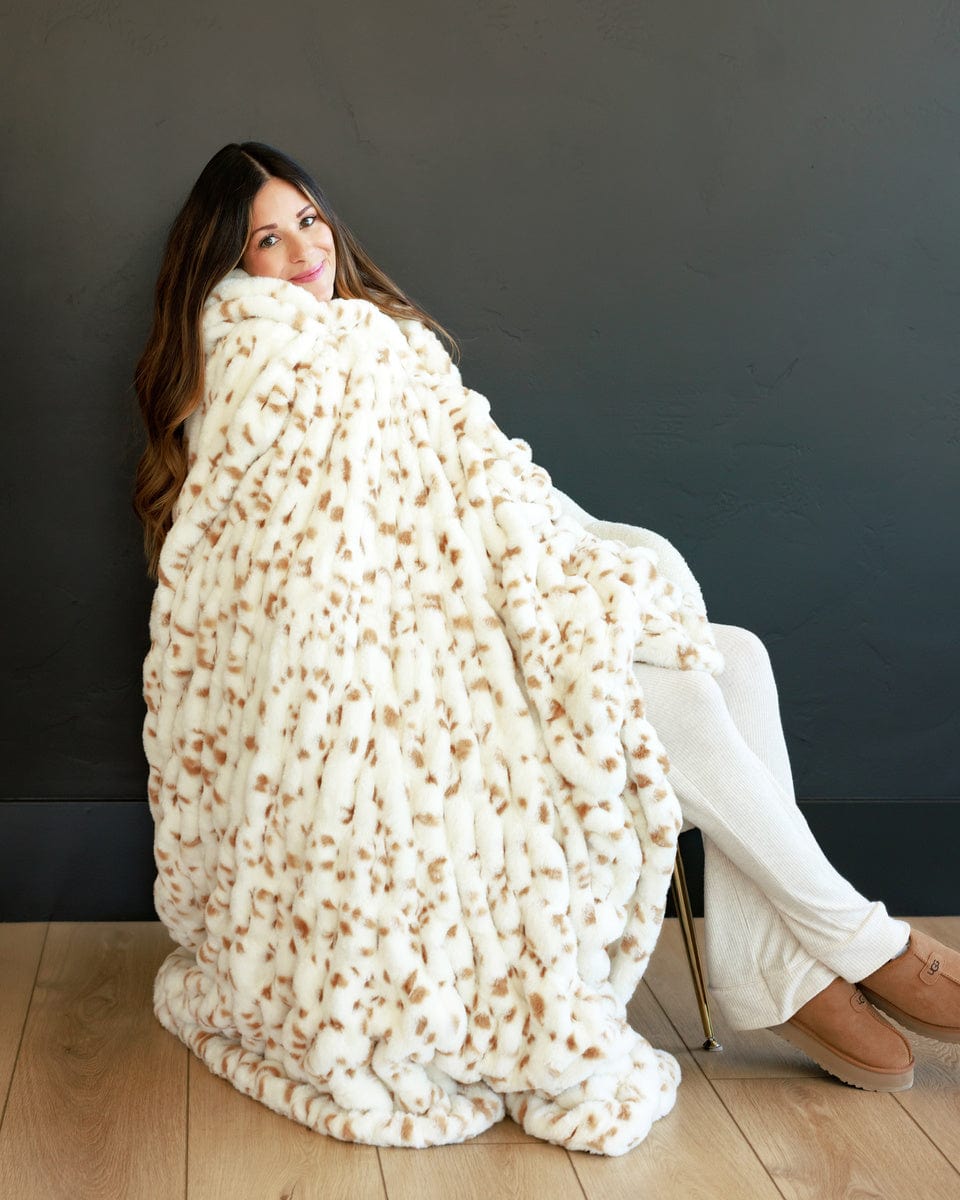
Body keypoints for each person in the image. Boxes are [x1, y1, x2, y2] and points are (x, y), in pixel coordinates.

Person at [133, 142, 959, 1151]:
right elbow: (317, 580)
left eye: (308, 219)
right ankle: (860, 945)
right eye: (269, 238)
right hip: (404, 676)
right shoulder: (268, 372)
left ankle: (771, 973)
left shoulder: (385, 345)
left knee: (733, 655)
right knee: (670, 694)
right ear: (229, 264)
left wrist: (576, 572)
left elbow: (481, 496)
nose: (305, 249)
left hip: (476, 617)